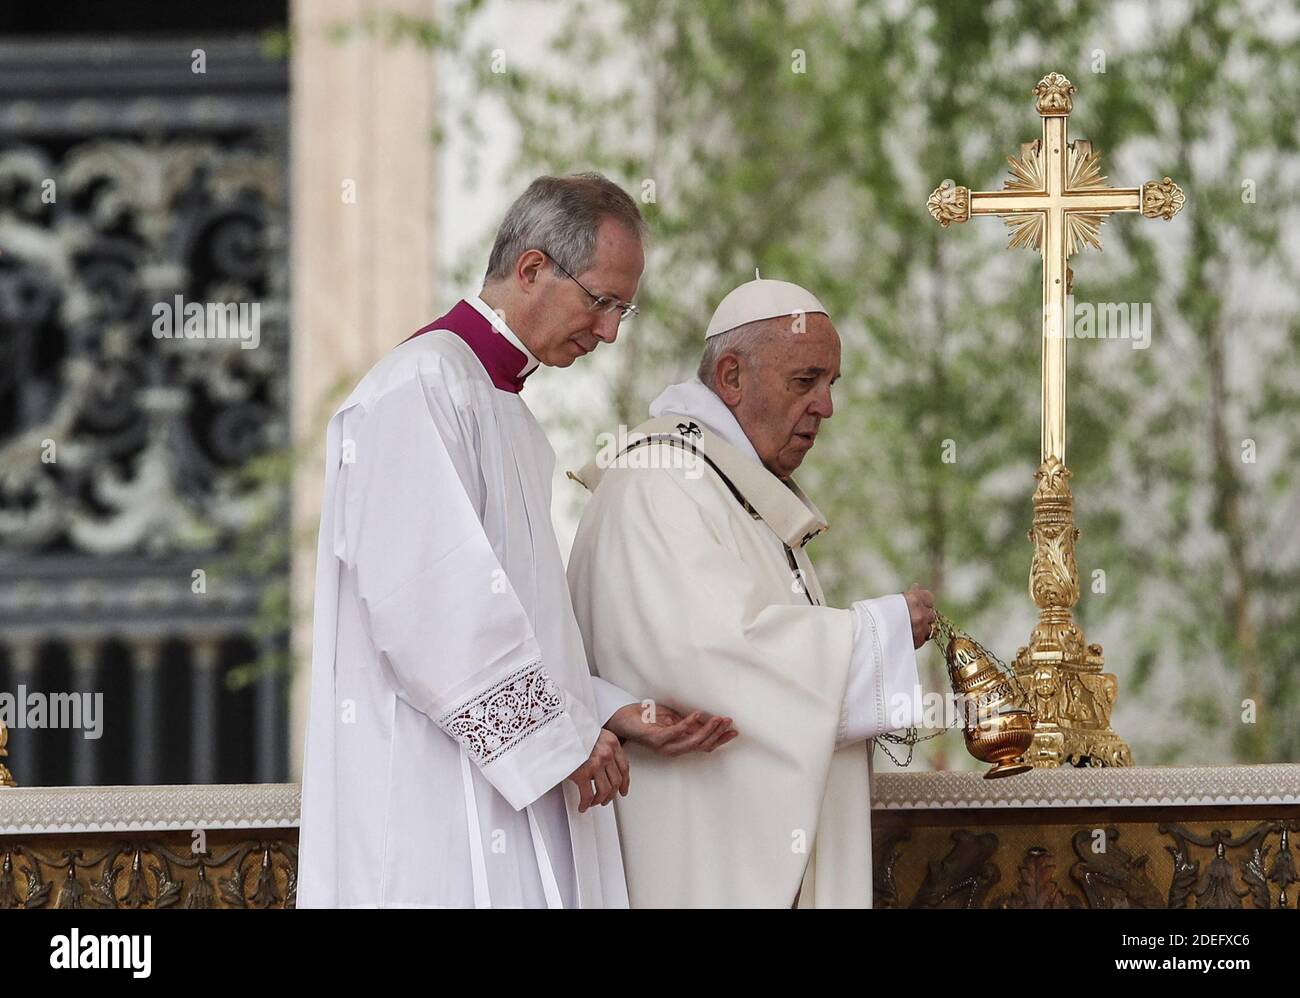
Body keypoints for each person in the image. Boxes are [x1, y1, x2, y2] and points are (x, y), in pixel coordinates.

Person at [298, 173, 733, 909]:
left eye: (624, 310)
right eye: (601, 301)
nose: (610, 333)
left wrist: (606, 709)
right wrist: (555, 739)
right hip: (435, 804)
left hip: (506, 789)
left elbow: (521, 625)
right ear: (531, 268)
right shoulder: (420, 388)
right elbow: (427, 611)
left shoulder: (503, 411)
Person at [567, 277, 937, 907]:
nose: (825, 407)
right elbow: (712, 661)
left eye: (831, 384)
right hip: (692, 860)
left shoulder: (729, 487)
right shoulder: (661, 483)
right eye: (805, 381)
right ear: (732, 377)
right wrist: (877, 634)